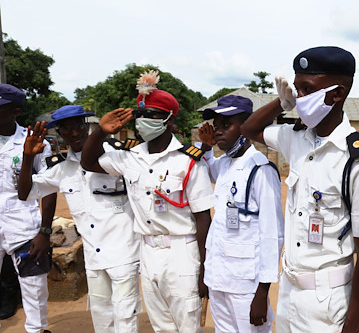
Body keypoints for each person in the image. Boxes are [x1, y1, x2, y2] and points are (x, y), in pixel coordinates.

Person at [242, 46, 359, 333]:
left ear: (337, 93)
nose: (300, 99)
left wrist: (352, 324)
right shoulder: (295, 138)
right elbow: (249, 129)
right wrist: (280, 104)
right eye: (297, 90)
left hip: (327, 301)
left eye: (307, 90)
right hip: (289, 292)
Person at [80, 71, 215, 333]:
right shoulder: (129, 156)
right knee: (161, 326)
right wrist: (99, 133)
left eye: (152, 114)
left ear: (169, 119)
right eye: (141, 114)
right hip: (148, 251)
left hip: (182, 252)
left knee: (187, 324)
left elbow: (203, 218)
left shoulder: (188, 160)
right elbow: (88, 163)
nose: (144, 120)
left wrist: (204, 270)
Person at [17, 105, 141, 332]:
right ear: (60, 134)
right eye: (66, 129)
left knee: (125, 317)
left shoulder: (117, 155)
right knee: (102, 318)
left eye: (78, 127)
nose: (74, 133)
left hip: (124, 253)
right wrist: (27, 158)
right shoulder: (61, 168)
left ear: (87, 127)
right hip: (93, 257)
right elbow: (25, 193)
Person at [198, 95, 284, 333]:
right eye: (216, 127)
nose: (219, 133)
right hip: (219, 280)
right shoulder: (225, 164)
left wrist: (262, 292)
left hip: (246, 286)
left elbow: (272, 235)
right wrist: (206, 147)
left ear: (247, 126)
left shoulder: (260, 170)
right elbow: (206, 169)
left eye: (227, 126)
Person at [0, 83, 55, 333]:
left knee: (34, 288)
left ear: (16, 111)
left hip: (24, 225)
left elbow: (50, 187)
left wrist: (44, 231)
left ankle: (37, 330)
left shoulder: (34, 141)